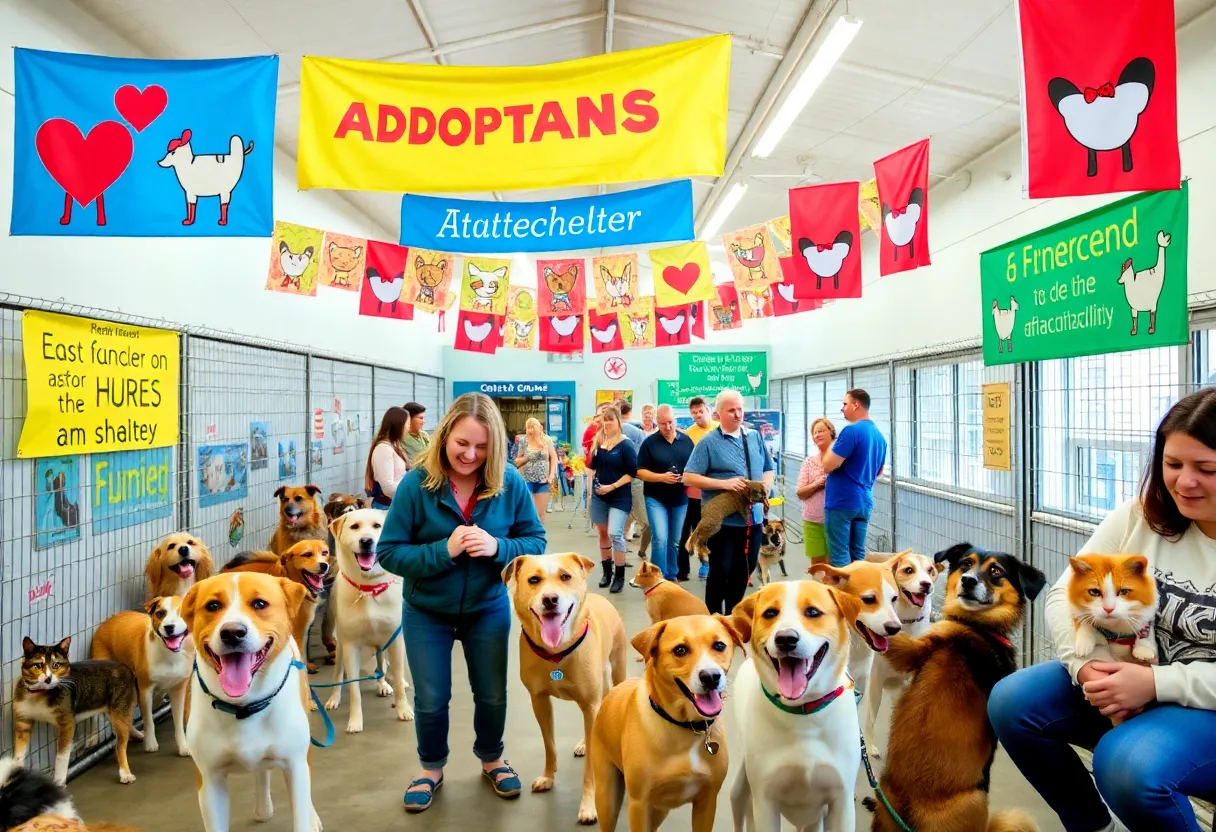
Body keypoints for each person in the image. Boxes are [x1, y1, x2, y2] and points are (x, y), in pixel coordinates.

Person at [989, 388, 1216, 832]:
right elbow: (1062, 595)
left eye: (1206, 468)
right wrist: (1086, 666)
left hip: (1201, 705)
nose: (1184, 482)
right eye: (1172, 465)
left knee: (1127, 764)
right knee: (1013, 701)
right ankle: (1093, 825)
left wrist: (1154, 682)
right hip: (1127, 677)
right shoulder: (1141, 517)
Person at [377, 392, 547, 813]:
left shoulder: (509, 482)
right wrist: (442, 550)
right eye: (462, 443)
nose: (470, 454)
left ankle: (492, 758)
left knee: (491, 693)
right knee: (431, 697)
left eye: (482, 447)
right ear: (444, 436)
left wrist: (498, 546)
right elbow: (389, 552)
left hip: (487, 607)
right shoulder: (417, 485)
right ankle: (430, 768)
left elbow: (535, 541)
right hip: (426, 610)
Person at [683, 390, 775, 615]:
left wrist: (765, 486)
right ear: (718, 414)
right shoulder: (708, 442)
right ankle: (714, 618)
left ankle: (733, 616)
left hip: (752, 520)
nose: (737, 414)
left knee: (745, 570)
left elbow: (768, 468)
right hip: (723, 523)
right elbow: (689, 476)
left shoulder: (754, 437)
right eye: (731, 410)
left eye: (740, 409)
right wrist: (724, 484)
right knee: (720, 571)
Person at [821, 389, 887, 566]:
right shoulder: (880, 437)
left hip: (842, 501)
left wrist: (830, 446)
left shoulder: (851, 432)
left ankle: (844, 593)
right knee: (858, 553)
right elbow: (879, 471)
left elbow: (828, 465)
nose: (842, 409)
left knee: (840, 555)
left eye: (844, 404)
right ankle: (861, 591)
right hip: (864, 502)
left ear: (855, 404)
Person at [636, 405, 695, 581]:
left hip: (680, 498)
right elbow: (639, 471)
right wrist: (661, 477)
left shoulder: (686, 441)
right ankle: (657, 577)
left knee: (675, 540)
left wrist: (688, 478)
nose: (667, 427)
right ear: (657, 422)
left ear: (675, 420)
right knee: (660, 538)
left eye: (670, 423)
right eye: (662, 424)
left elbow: (695, 467)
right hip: (656, 498)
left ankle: (671, 574)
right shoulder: (649, 443)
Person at [588, 405, 638, 593]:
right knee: (602, 533)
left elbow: (632, 472)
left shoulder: (626, 445)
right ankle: (606, 572)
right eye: (605, 419)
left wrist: (612, 486)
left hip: (619, 496)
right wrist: (594, 447)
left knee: (615, 533)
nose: (607, 423)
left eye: (611, 419)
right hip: (600, 495)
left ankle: (619, 575)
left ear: (619, 421)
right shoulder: (600, 442)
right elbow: (592, 466)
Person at [677, 396, 719, 582]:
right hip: (692, 492)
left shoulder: (719, 429)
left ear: (708, 410)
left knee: (708, 531)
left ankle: (707, 563)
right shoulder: (688, 435)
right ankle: (683, 569)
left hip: (715, 491)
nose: (697, 415)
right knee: (686, 531)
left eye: (700, 411)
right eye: (694, 412)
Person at [796, 418, 836, 567]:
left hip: (836, 521)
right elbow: (800, 493)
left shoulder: (840, 459)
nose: (817, 435)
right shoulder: (809, 462)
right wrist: (817, 484)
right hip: (812, 520)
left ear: (831, 432)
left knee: (836, 563)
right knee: (817, 564)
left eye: (821, 430)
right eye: (814, 432)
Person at [617, 400, 650, 559]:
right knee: (644, 518)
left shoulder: (610, 431)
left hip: (619, 480)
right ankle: (643, 550)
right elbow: (645, 455)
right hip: (636, 478)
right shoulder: (635, 431)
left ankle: (621, 553)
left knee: (622, 516)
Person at [514, 417, 559, 520]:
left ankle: (539, 534)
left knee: (540, 513)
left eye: (533, 427)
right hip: (526, 480)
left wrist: (551, 475)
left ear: (540, 428)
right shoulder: (523, 441)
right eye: (528, 428)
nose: (531, 430)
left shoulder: (547, 440)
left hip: (543, 480)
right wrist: (530, 457)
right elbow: (517, 461)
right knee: (528, 512)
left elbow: (554, 457)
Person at [366, 406, 411, 508]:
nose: (409, 427)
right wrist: (411, 494)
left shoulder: (394, 446)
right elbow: (387, 488)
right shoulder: (383, 449)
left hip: (397, 503)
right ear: (398, 424)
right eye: (407, 423)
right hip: (388, 506)